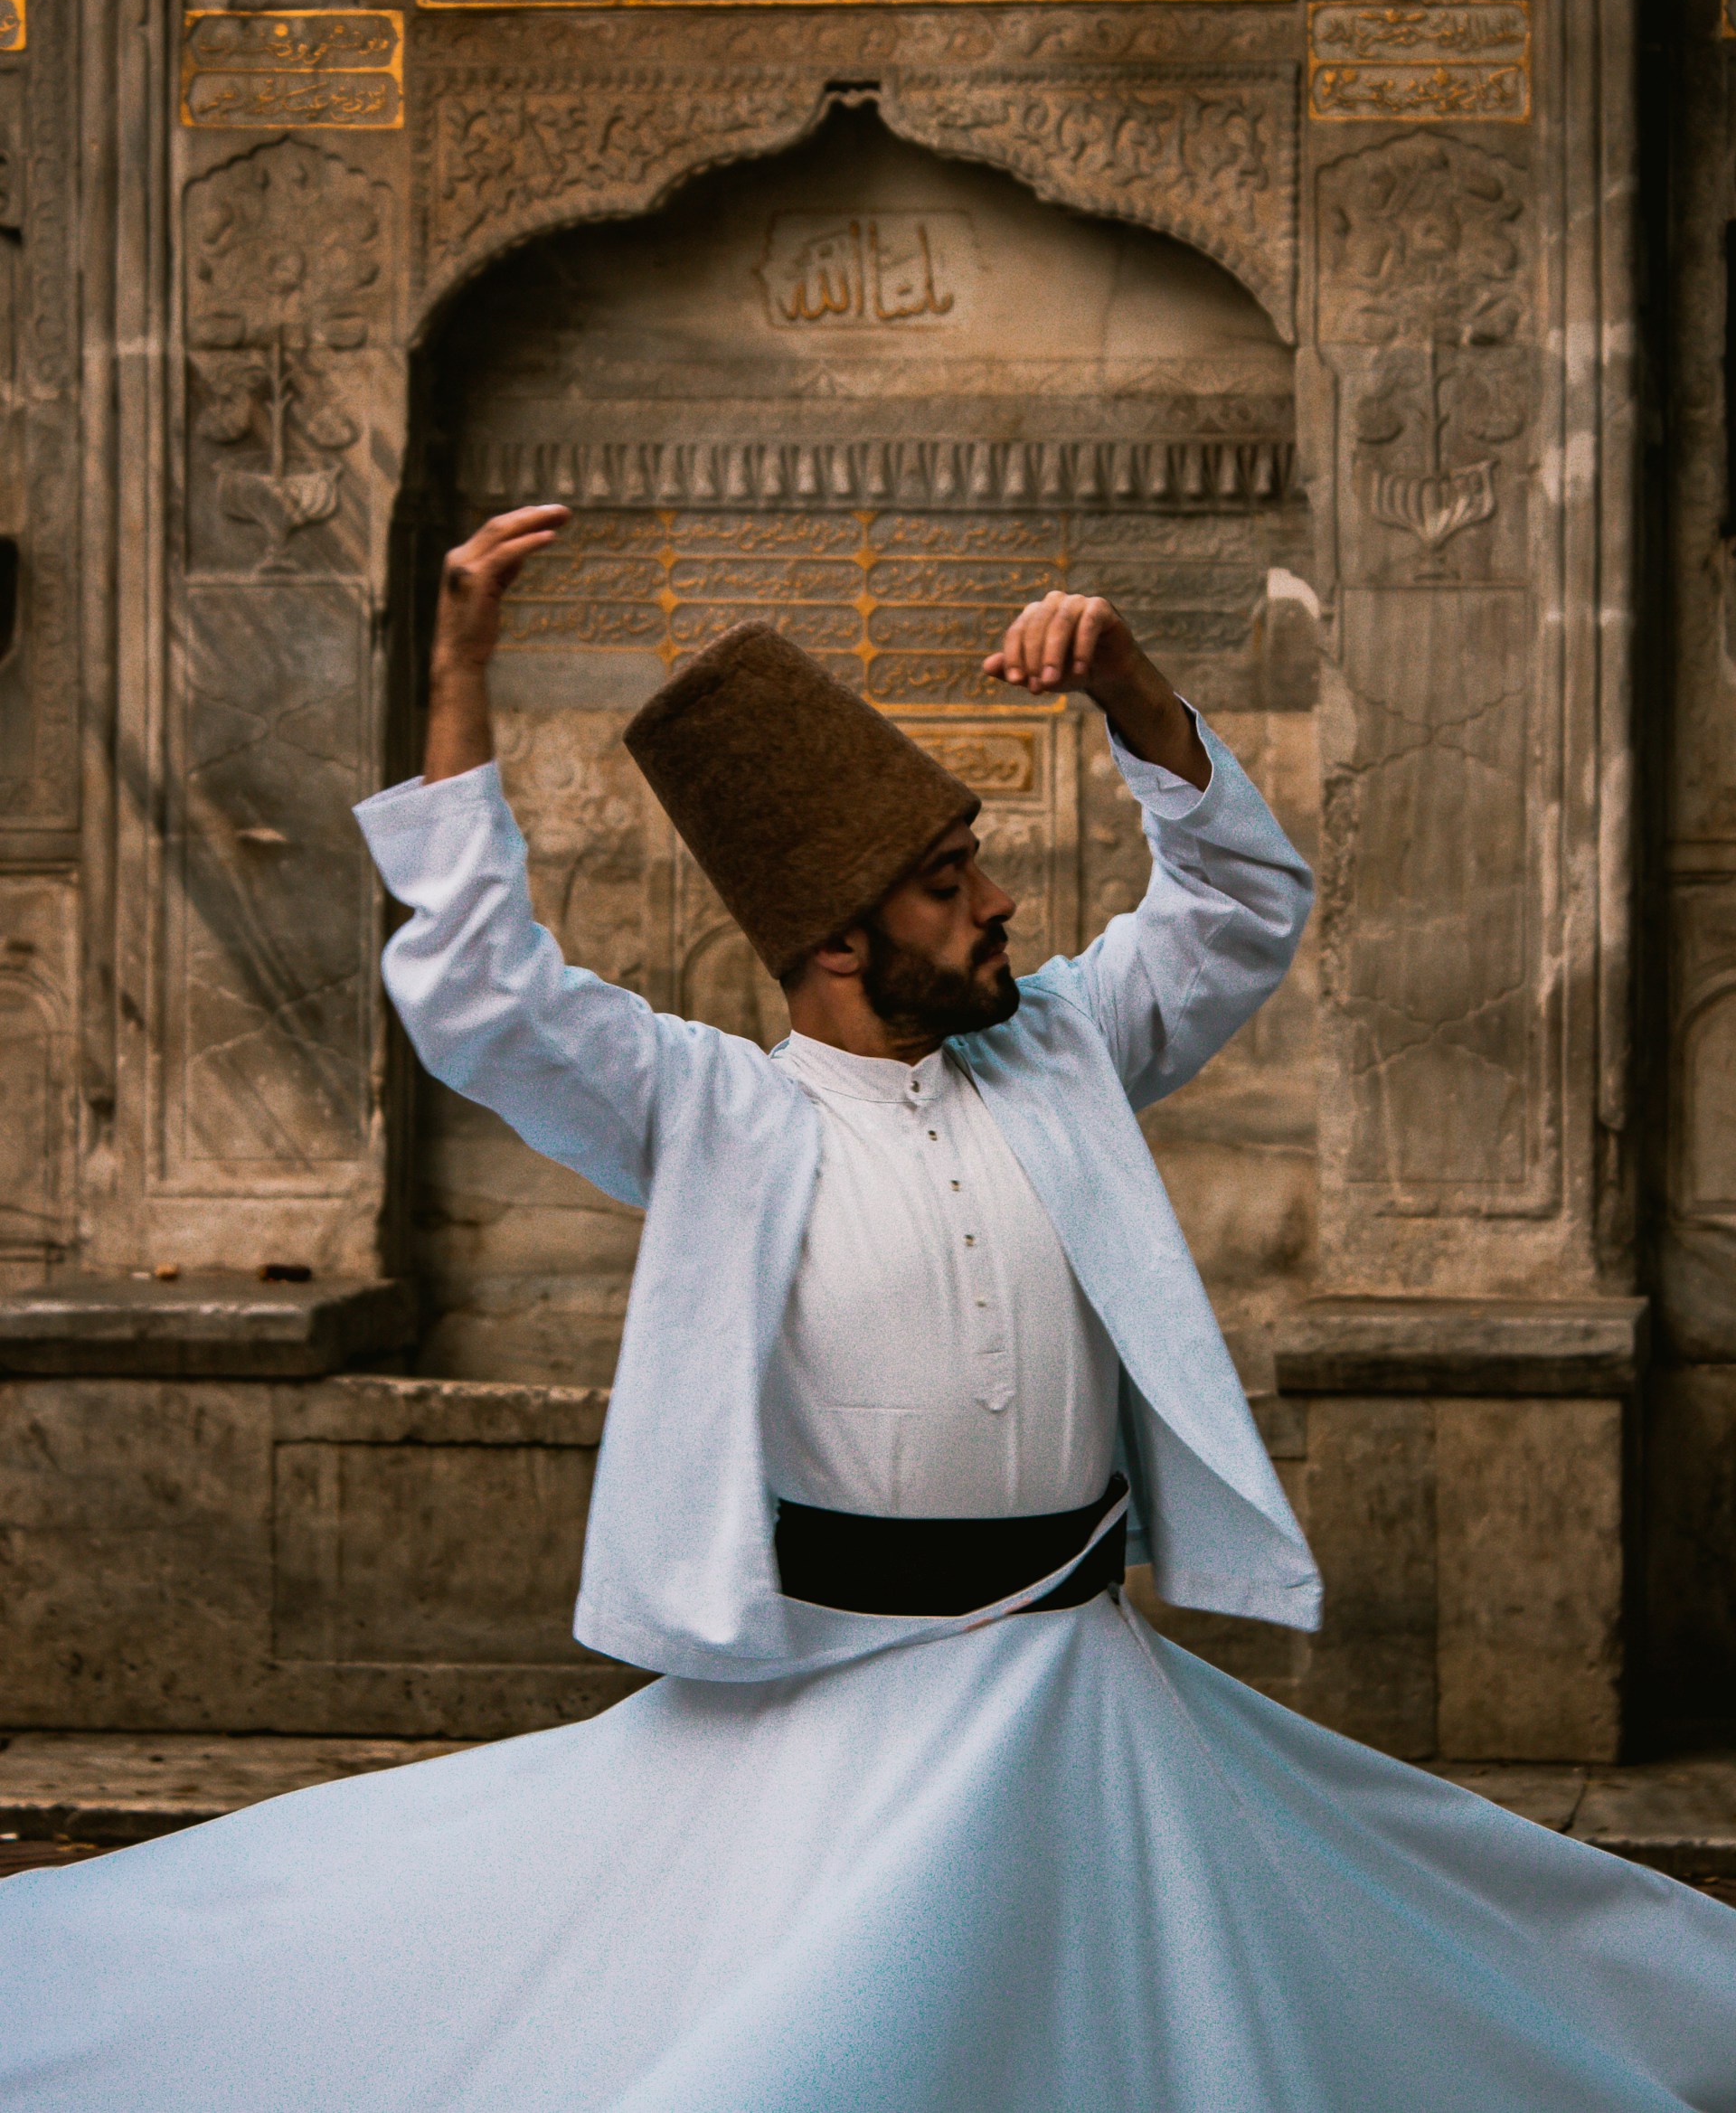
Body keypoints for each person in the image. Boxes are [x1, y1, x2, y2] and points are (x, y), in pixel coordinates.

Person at [3, 501, 1733, 2112]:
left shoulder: (1061, 1048)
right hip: (826, 1705)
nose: (998, 905)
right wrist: (458, 671)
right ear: (841, 941)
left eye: (976, 864)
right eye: (948, 883)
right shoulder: (712, 1112)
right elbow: (480, 992)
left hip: (1087, 1688)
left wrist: (1135, 691)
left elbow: (1235, 907)